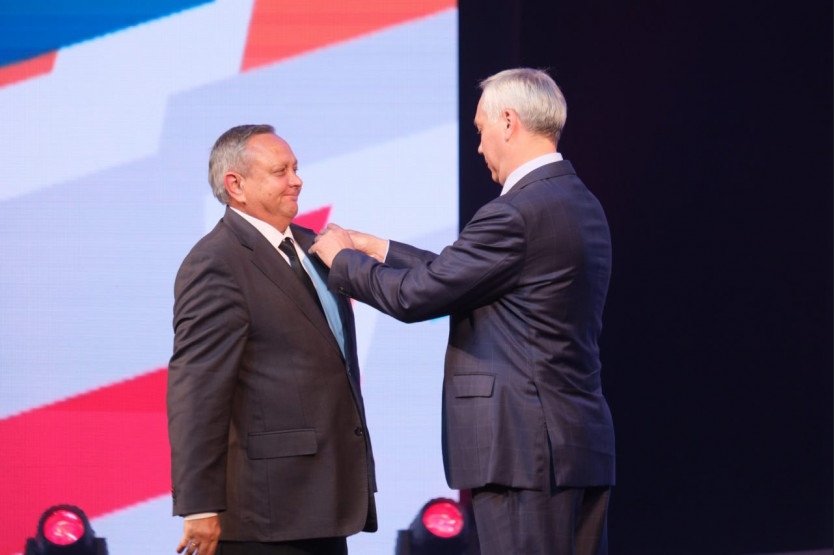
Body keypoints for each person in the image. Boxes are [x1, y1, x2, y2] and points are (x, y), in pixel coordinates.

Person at [311, 68, 614, 555]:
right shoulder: (578, 201)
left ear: (509, 122)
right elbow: (466, 275)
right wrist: (378, 248)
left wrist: (343, 260)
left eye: (481, 129)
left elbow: (417, 296)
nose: (478, 146)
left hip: (523, 454)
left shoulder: (515, 212)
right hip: (575, 446)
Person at [167, 124, 377, 555]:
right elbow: (197, 389)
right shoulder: (216, 261)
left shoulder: (314, 246)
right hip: (265, 513)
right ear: (236, 185)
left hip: (328, 498)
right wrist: (199, 503)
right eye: (280, 171)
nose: (297, 180)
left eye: (295, 168)